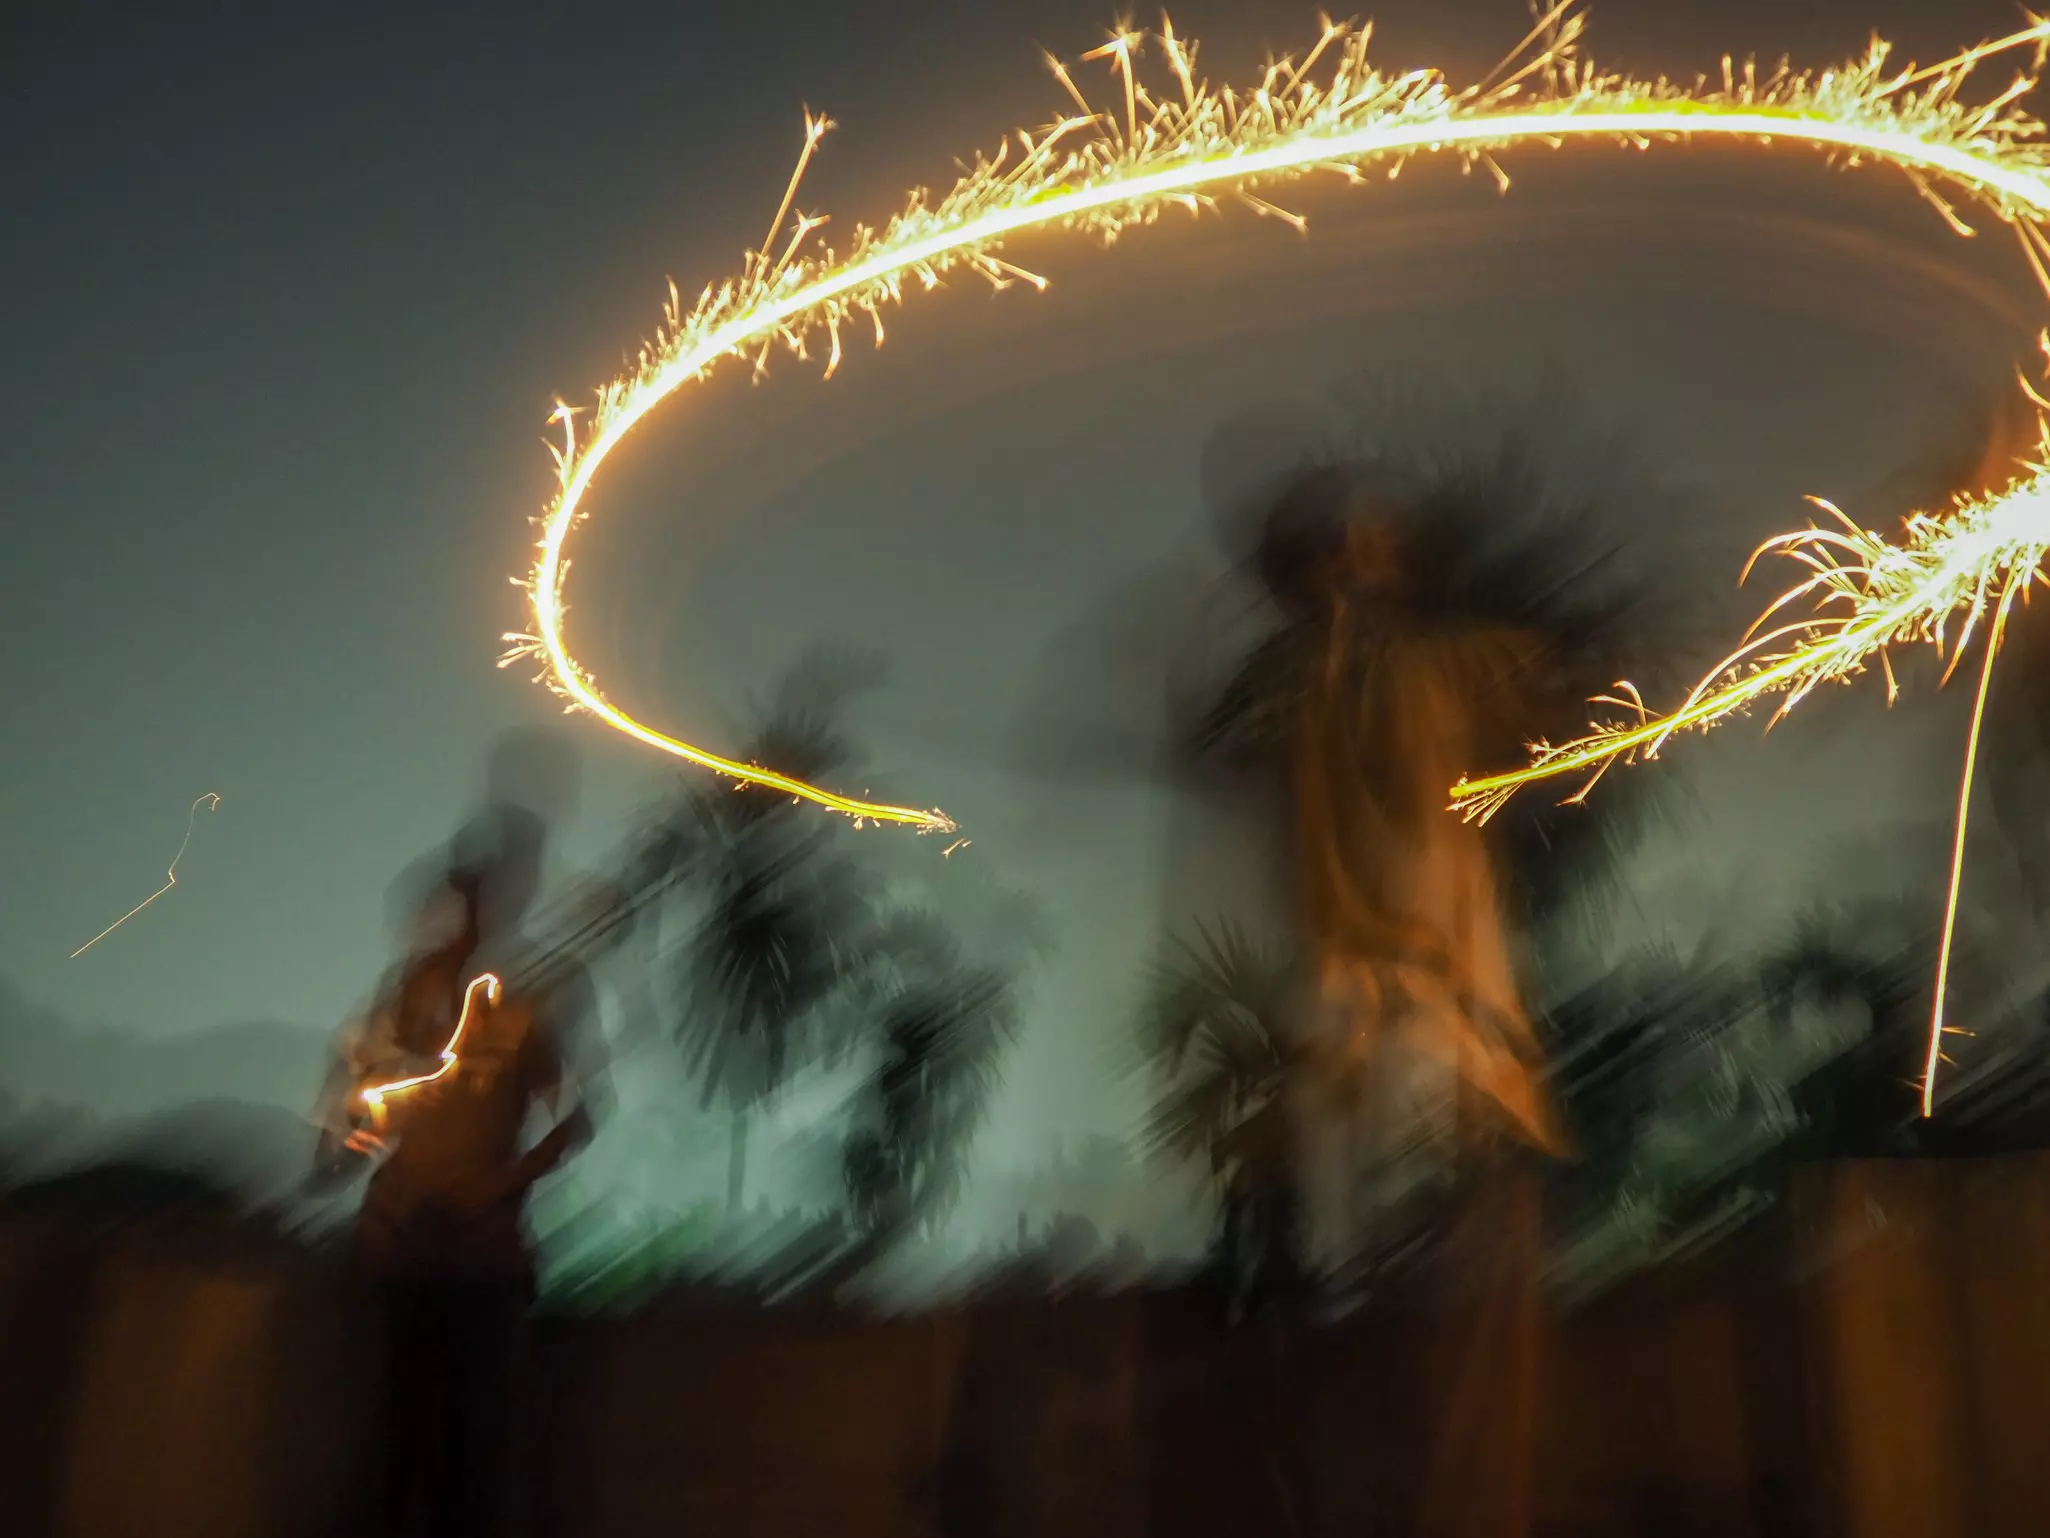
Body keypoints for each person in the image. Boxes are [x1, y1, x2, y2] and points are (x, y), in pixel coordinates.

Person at [312, 823, 602, 1538]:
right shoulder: (396, 1010)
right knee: (389, 1449)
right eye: (450, 910)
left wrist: (503, 1183)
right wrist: (350, 1143)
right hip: (397, 1254)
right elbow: (348, 1137)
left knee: (471, 1459)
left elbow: (577, 1120)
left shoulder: (519, 1013)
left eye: (474, 911)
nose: (457, 927)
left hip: (483, 1265)